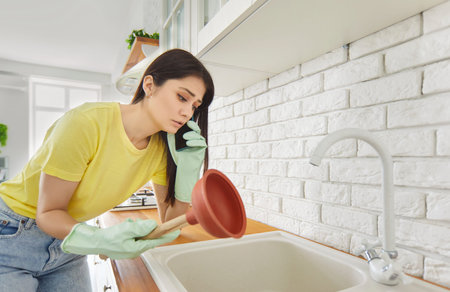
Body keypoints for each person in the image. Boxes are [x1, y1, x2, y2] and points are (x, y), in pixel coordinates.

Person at [0, 48, 215, 291]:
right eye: (182, 97)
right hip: (12, 231)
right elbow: (48, 213)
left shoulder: (163, 149)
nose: (188, 113)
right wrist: (99, 239)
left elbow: (170, 224)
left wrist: (188, 174)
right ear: (150, 85)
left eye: (195, 106)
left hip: (69, 238)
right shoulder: (86, 122)